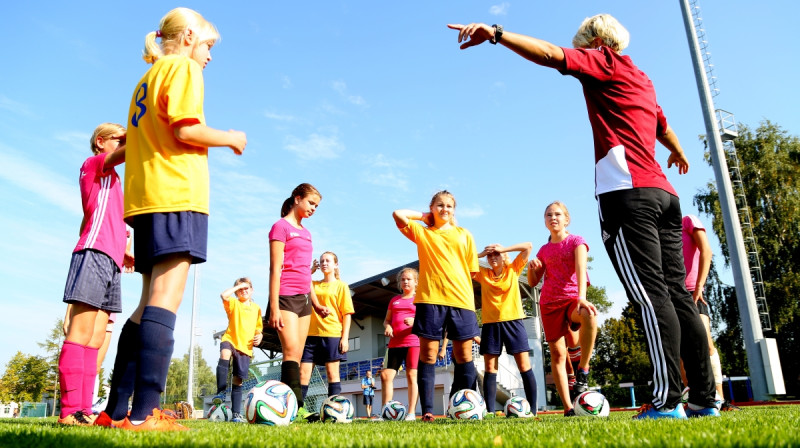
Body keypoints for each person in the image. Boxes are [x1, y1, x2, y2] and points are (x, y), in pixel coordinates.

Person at [449, 14, 719, 419]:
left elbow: (552, 56)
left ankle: (667, 400)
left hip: (629, 195)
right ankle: (705, 399)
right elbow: (663, 126)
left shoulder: (603, 60)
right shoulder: (642, 78)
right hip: (665, 194)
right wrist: (677, 152)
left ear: (596, 42)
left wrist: (498, 34)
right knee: (677, 295)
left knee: (651, 297)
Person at [97, 8, 247, 431]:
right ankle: (146, 414)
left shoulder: (144, 80)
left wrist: (110, 157)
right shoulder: (182, 69)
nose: (209, 57)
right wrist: (231, 138)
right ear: (187, 39)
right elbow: (186, 130)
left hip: (145, 200)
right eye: (208, 46)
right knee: (166, 298)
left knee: (146, 304)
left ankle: (115, 411)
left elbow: (138, 140)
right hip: (176, 193)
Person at [57, 123, 134, 426]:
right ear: (101, 142)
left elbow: (112, 224)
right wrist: (140, 135)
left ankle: (84, 409)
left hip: (112, 262)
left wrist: (126, 251)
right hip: (93, 255)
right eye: (120, 138)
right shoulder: (94, 165)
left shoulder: (116, 183)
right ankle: (68, 410)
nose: (125, 142)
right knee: (81, 333)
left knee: (97, 338)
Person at [393, 190, 480, 423]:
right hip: (430, 300)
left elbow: (471, 271)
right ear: (432, 208)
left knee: (463, 355)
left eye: (449, 206)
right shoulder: (423, 233)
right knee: (429, 355)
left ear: (454, 210)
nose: (444, 209)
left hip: (461, 301)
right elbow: (398, 214)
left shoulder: (465, 235)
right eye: (439, 205)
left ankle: (458, 403)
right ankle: (428, 410)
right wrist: (423, 216)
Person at [528, 202, 597, 417]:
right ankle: (568, 408)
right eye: (548, 215)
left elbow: (580, 268)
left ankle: (583, 371)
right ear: (545, 221)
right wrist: (532, 268)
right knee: (557, 354)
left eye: (558, 214)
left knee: (589, 315)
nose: (553, 217)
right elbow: (532, 282)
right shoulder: (544, 250)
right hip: (549, 303)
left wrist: (581, 299)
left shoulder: (577, 241)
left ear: (567, 219)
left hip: (572, 300)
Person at [268, 183, 330, 421]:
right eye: (311, 203)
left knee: (298, 352)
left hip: (304, 299)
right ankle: (292, 408)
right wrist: (273, 306)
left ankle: (293, 408)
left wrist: (315, 303)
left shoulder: (306, 232)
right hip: (285, 296)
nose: (314, 208)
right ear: (297, 199)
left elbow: (306, 273)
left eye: (317, 205)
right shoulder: (280, 227)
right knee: (291, 350)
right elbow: (275, 269)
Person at [681, 215, 740, 412]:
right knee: (682, 351)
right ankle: (693, 399)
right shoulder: (659, 231)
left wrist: (699, 286)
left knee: (706, 343)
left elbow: (707, 251)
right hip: (673, 294)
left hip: (694, 293)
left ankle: (720, 400)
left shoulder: (688, 221)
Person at [475, 242, 538, 417]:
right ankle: (490, 412)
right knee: (489, 367)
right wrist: (481, 254)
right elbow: (463, 261)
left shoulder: (513, 269)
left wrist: (503, 249)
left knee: (524, 365)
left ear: (503, 256)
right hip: (491, 324)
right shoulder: (483, 274)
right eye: (490, 255)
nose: (493, 257)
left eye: (496, 254)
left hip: (514, 322)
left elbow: (528, 247)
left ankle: (532, 411)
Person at [300, 252, 354, 403]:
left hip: (332, 334)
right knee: (303, 375)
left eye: (328, 261)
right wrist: (310, 271)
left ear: (336, 264)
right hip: (311, 335)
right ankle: (298, 411)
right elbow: (303, 281)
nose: (324, 263)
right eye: (322, 260)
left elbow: (347, 313)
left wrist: (345, 338)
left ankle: (334, 408)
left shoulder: (341, 286)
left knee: (332, 374)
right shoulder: (314, 284)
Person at [214, 277, 263, 423]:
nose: (243, 291)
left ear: (252, 290)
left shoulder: (256, 308)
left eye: (246, 288)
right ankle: (221, 393)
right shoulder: (233, 303)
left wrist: (259, 335)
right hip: (230, 339)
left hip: (245, 346)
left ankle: (236, 414)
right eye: (240, 289)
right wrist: (237, 287)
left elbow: (258, 327)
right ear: (236, 292)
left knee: (238, 380)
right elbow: (224, 295)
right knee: (224, 354)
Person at [381, 267, 420, 420]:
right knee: (386, 375)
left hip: (413, 342)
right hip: (394, 343)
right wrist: (388, 326)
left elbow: (427, 320)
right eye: (403, 279)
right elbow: (387, 320)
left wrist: (415, 321)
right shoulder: (394, 300)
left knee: (411, 375)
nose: (405, 281)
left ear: (416, 282)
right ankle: (385, 412)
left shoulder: (420, 299)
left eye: (409, 279)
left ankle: (411, 413)